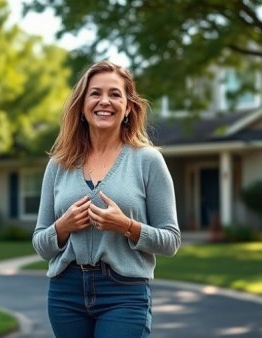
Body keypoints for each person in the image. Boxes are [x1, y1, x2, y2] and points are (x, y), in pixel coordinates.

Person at [32, 60, 181, 338]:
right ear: (82, 106)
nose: (104, 101)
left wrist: (126, 225)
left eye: (115, 94)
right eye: (95, 93)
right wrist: (63, 227)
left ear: (128, 107)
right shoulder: (59, 165)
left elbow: (171, 240)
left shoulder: (147, 160)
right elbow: (41, 244)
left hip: (124, 292)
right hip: (66, 292)